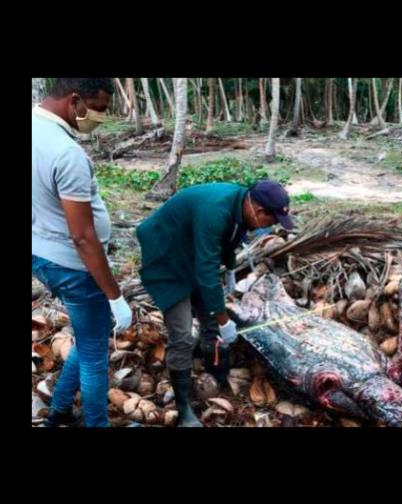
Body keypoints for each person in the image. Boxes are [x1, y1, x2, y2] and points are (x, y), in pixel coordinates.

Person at [136, 180, 294, 426]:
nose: (270, 228)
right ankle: (183, 408)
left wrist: (230, 268)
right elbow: (206, 273)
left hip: (192, 251)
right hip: (166, 255)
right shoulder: (215, 211)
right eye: (271, 222)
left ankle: (216, 376)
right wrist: (224, 320)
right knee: (182, 335)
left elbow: (231, 237)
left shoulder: (242, 204)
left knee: (211, 317)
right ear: (259, 211)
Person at [32, 78, 133, 427]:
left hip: (42, 255)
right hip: (72, 263)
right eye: (99, 108)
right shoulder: (66, 153)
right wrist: (115, 295)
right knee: (94, 354)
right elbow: (83, 236)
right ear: (75, 100)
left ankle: (59, 411)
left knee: (90, 336)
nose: (100, 118)